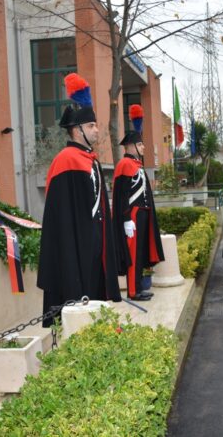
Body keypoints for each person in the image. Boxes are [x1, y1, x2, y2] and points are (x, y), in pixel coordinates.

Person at [37, 73, 121, 325]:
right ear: (77, 130)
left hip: (93, 242)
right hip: (77, 245)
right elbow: (63, 217)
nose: (97, 130)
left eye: (95, 125)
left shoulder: (88, 159)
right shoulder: (67, 160)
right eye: (92, 126)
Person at [112, 104, 165, 301]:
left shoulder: (136, 164)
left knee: (140, 252)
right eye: (141, 145)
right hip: (132, 215)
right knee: (133, 253)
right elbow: (122, 195)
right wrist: (126, 218)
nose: (143, 147)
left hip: (142, 214)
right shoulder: (125, 164)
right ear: (131, 146)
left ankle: (139, 287)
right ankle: (133, 291)